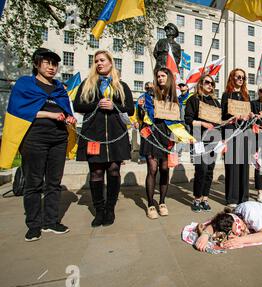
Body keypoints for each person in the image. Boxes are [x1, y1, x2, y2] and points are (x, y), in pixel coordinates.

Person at [1, 48, 77, 241]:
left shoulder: (59, 88)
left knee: (54, 182)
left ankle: (51, 221)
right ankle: (33, 225)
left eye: (54, 64)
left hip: (58, 139)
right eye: (47, 63)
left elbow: (66, 109)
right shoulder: (25, 84)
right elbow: (19, 111)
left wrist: (69, 118)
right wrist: (49, 114)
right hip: (34, 139)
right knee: (33, 183)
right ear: (36, 64)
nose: (51, 67)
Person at [74, 50, 134, 227]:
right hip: (94, 134)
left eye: (102, 60)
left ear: (110, 63)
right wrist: (97, 105)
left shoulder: (121, 86)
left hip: (116, 135)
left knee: (114, 170)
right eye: (96, 61)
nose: (99, 63)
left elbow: (129, 109)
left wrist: (114, 106)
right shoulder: (88, 84)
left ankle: (110, 209)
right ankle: (99, 210)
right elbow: (77, 105)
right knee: (96, 172)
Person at [135, 68, 182, 219]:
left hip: (166, 135)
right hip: (151, 133)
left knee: (164, 169)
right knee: (152, 168)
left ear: (169, 78)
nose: (161, 78)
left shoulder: (173, 97)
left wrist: (177, 135)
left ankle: (162, 202)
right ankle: (150, 204)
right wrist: (140, 107)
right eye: (158, 76)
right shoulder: (149, 94)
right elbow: (142, 115)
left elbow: (176, 119)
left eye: (163, 76)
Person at [185, 75, 221, 212]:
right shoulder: (193, 100)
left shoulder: (215, 102)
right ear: (200, 84)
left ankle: (205, 198)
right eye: (207, 82)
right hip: (199, 139)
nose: (210, 85)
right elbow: (188, 119)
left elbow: (219, 122)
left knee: (210, 170)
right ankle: (197, 198)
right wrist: (203, 123)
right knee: (201, 169)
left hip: (213, 140)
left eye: (212, 83)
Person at [221, 68, 252, 207]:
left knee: (243, 165)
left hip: (244, 132)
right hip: (230, 131)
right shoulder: (226, 95)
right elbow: (221, 117)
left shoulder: (246, 96)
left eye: (243, 77)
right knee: (232, 165)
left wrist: (251, 116)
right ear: (232, 78)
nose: (240, 79)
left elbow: (249, 114)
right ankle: (232, 199)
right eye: (238, 76)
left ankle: (244, 197)